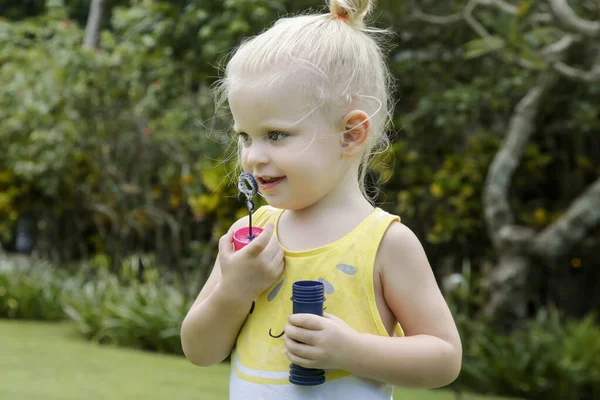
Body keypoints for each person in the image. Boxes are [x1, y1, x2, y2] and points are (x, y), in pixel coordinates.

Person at [180, 0, 462, 398]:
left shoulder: (384, 243)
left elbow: (445, 358)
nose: (253, 156)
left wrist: (350, 350)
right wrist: (234, 290)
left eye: (275, 135)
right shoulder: (253, 235)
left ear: (350, 134)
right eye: (246, 136)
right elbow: (199, 350)